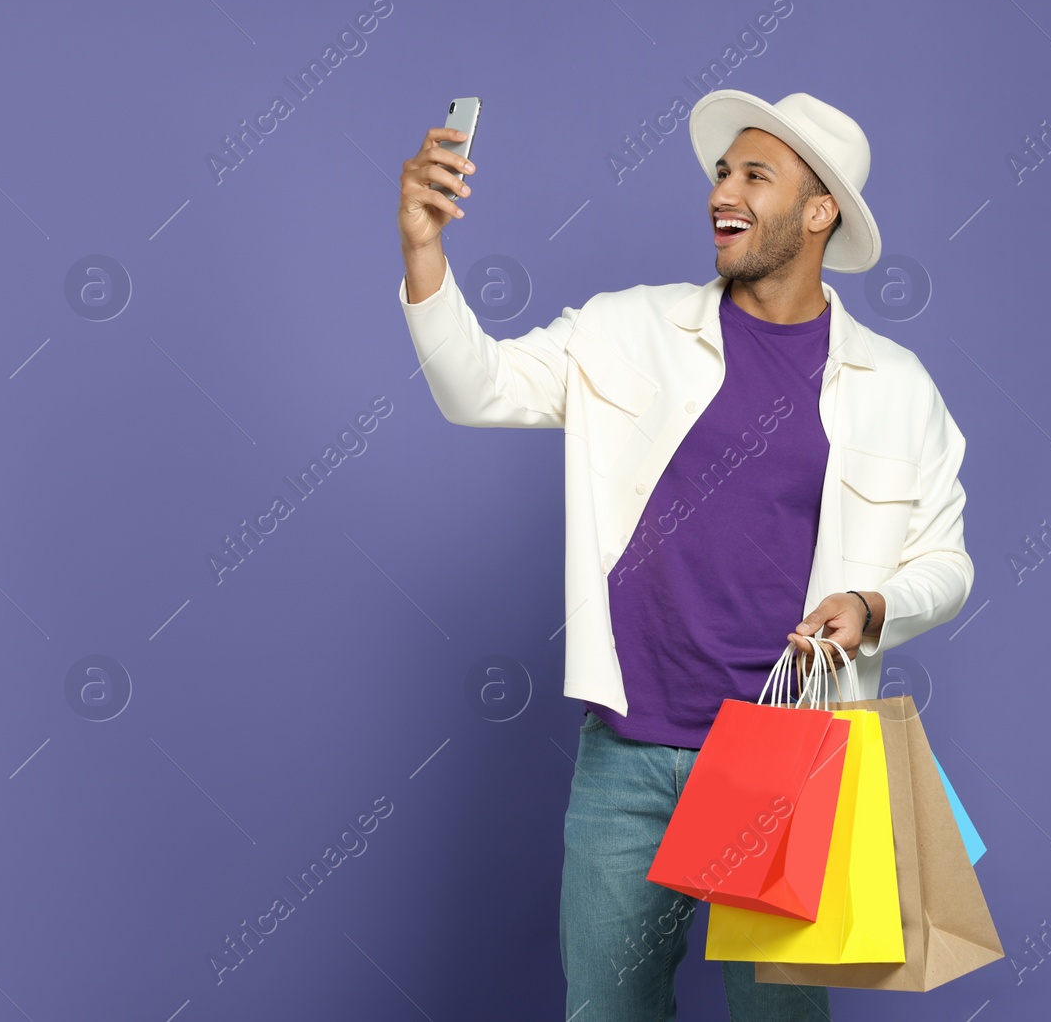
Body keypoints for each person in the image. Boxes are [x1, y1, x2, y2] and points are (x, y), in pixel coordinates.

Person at [396, 90, 975, 1020]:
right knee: (609, 1011)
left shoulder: (898, 389)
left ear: (819, 211)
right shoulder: (629, 329)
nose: (723, 192)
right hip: (628, 753)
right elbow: (481, 388)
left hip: (786, 757)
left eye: (756, 174)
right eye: (720, 172)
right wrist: (425, 251)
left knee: (776, 1019)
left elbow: (946, 561)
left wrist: (871, 606)